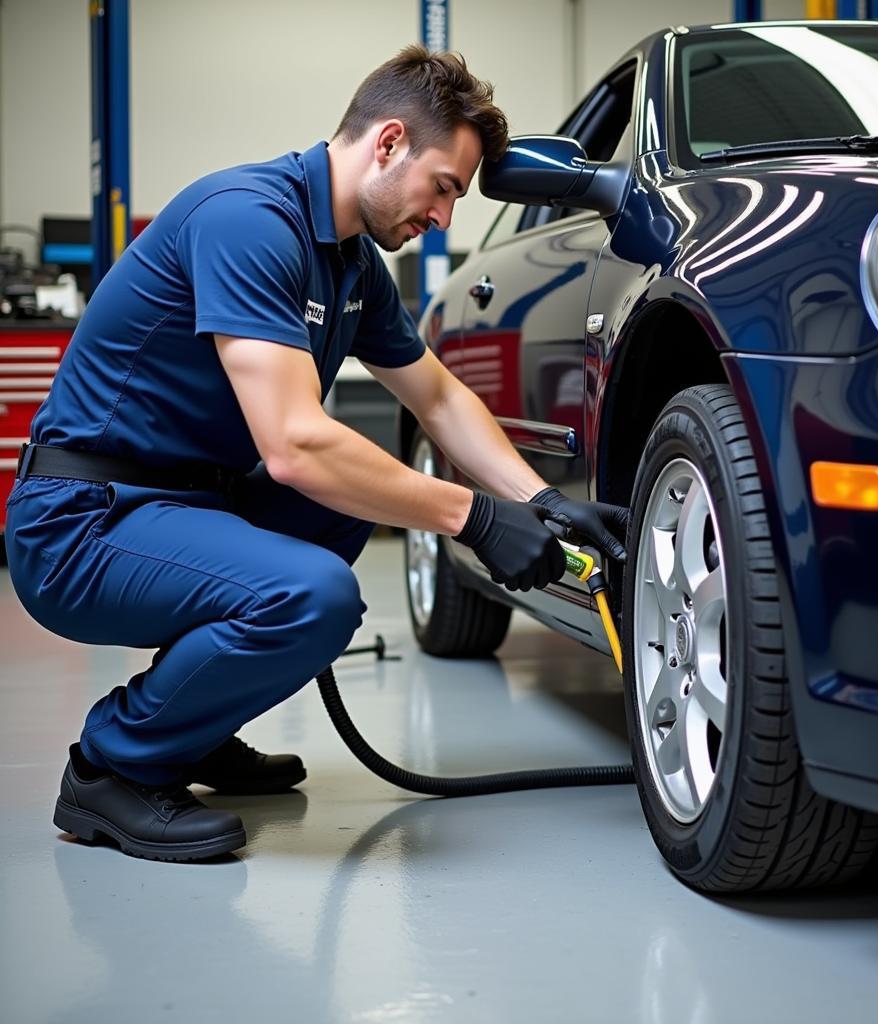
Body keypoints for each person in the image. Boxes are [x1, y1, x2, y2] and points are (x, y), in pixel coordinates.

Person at [5, 45, 629, 862]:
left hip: (183, 503)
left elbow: (436, 396)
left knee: (333, 519)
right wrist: (474, 519)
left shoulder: (352, 264)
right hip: (81, 524)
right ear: (389, 142)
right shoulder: (249, 220)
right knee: (314, 593)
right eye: (444, 187)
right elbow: (296, 446)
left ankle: (191, 730)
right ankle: (111, 768)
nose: (444, 218)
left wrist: (535, 497)